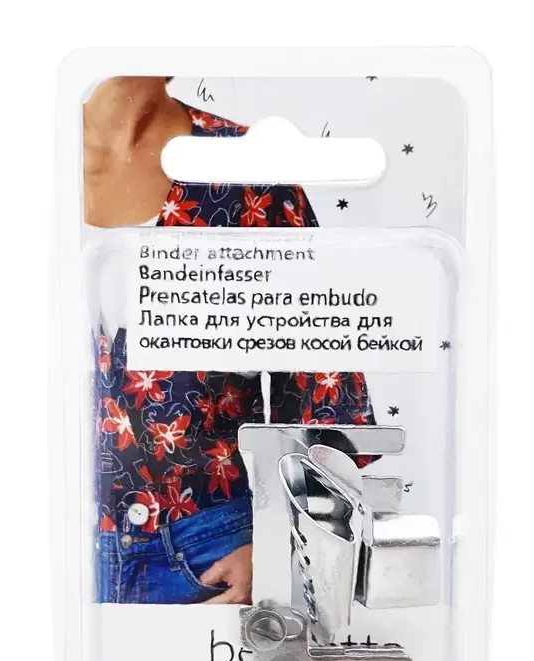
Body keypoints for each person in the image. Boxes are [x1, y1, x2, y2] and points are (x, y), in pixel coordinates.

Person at [86, 76, 375, 605]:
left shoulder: (248, 171)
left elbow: (326, 390)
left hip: (212, 552)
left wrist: (281, 545)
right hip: (50, 542)